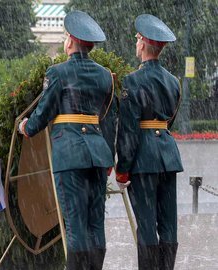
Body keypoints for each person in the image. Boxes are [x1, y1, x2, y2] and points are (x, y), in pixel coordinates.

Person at [18, 11, 116, 269]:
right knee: (96, 222)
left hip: (70, 153)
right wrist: (110, 156)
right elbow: (108, 118)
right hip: (97, 153)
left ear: (71, 41)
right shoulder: (105, 75)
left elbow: (44, 112)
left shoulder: (58, 72)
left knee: (74, 222)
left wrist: (27, 127)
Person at [115, 14, 182, 270]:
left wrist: (123, 168)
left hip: (143, 159)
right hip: (168, 155)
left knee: (146, 224)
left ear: (142, 44)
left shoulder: (131, 81)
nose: (136, 44)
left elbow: (129, 130)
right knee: (168, 225)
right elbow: (169, 122)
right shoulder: (173, 81)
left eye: (137, 40)